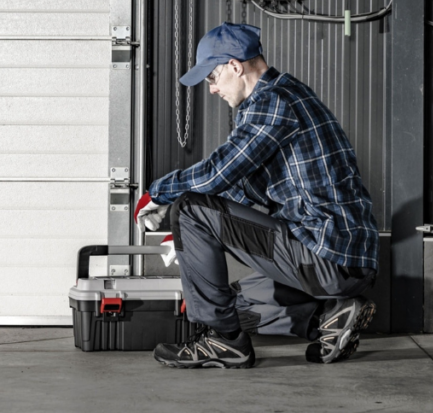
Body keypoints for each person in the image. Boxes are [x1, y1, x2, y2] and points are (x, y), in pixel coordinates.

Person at [136, 22, 379, 369]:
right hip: (338, 258)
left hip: (327, 255)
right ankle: (328, 317)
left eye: (212, 78)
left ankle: (224, 342)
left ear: (235, 66)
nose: (212, 90)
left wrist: (158, 194)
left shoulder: (273, 102)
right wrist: (191, 240)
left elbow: (218, 173)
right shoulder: (285, 94)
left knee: (189, 207)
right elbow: (243, 189)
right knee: (236, 301)